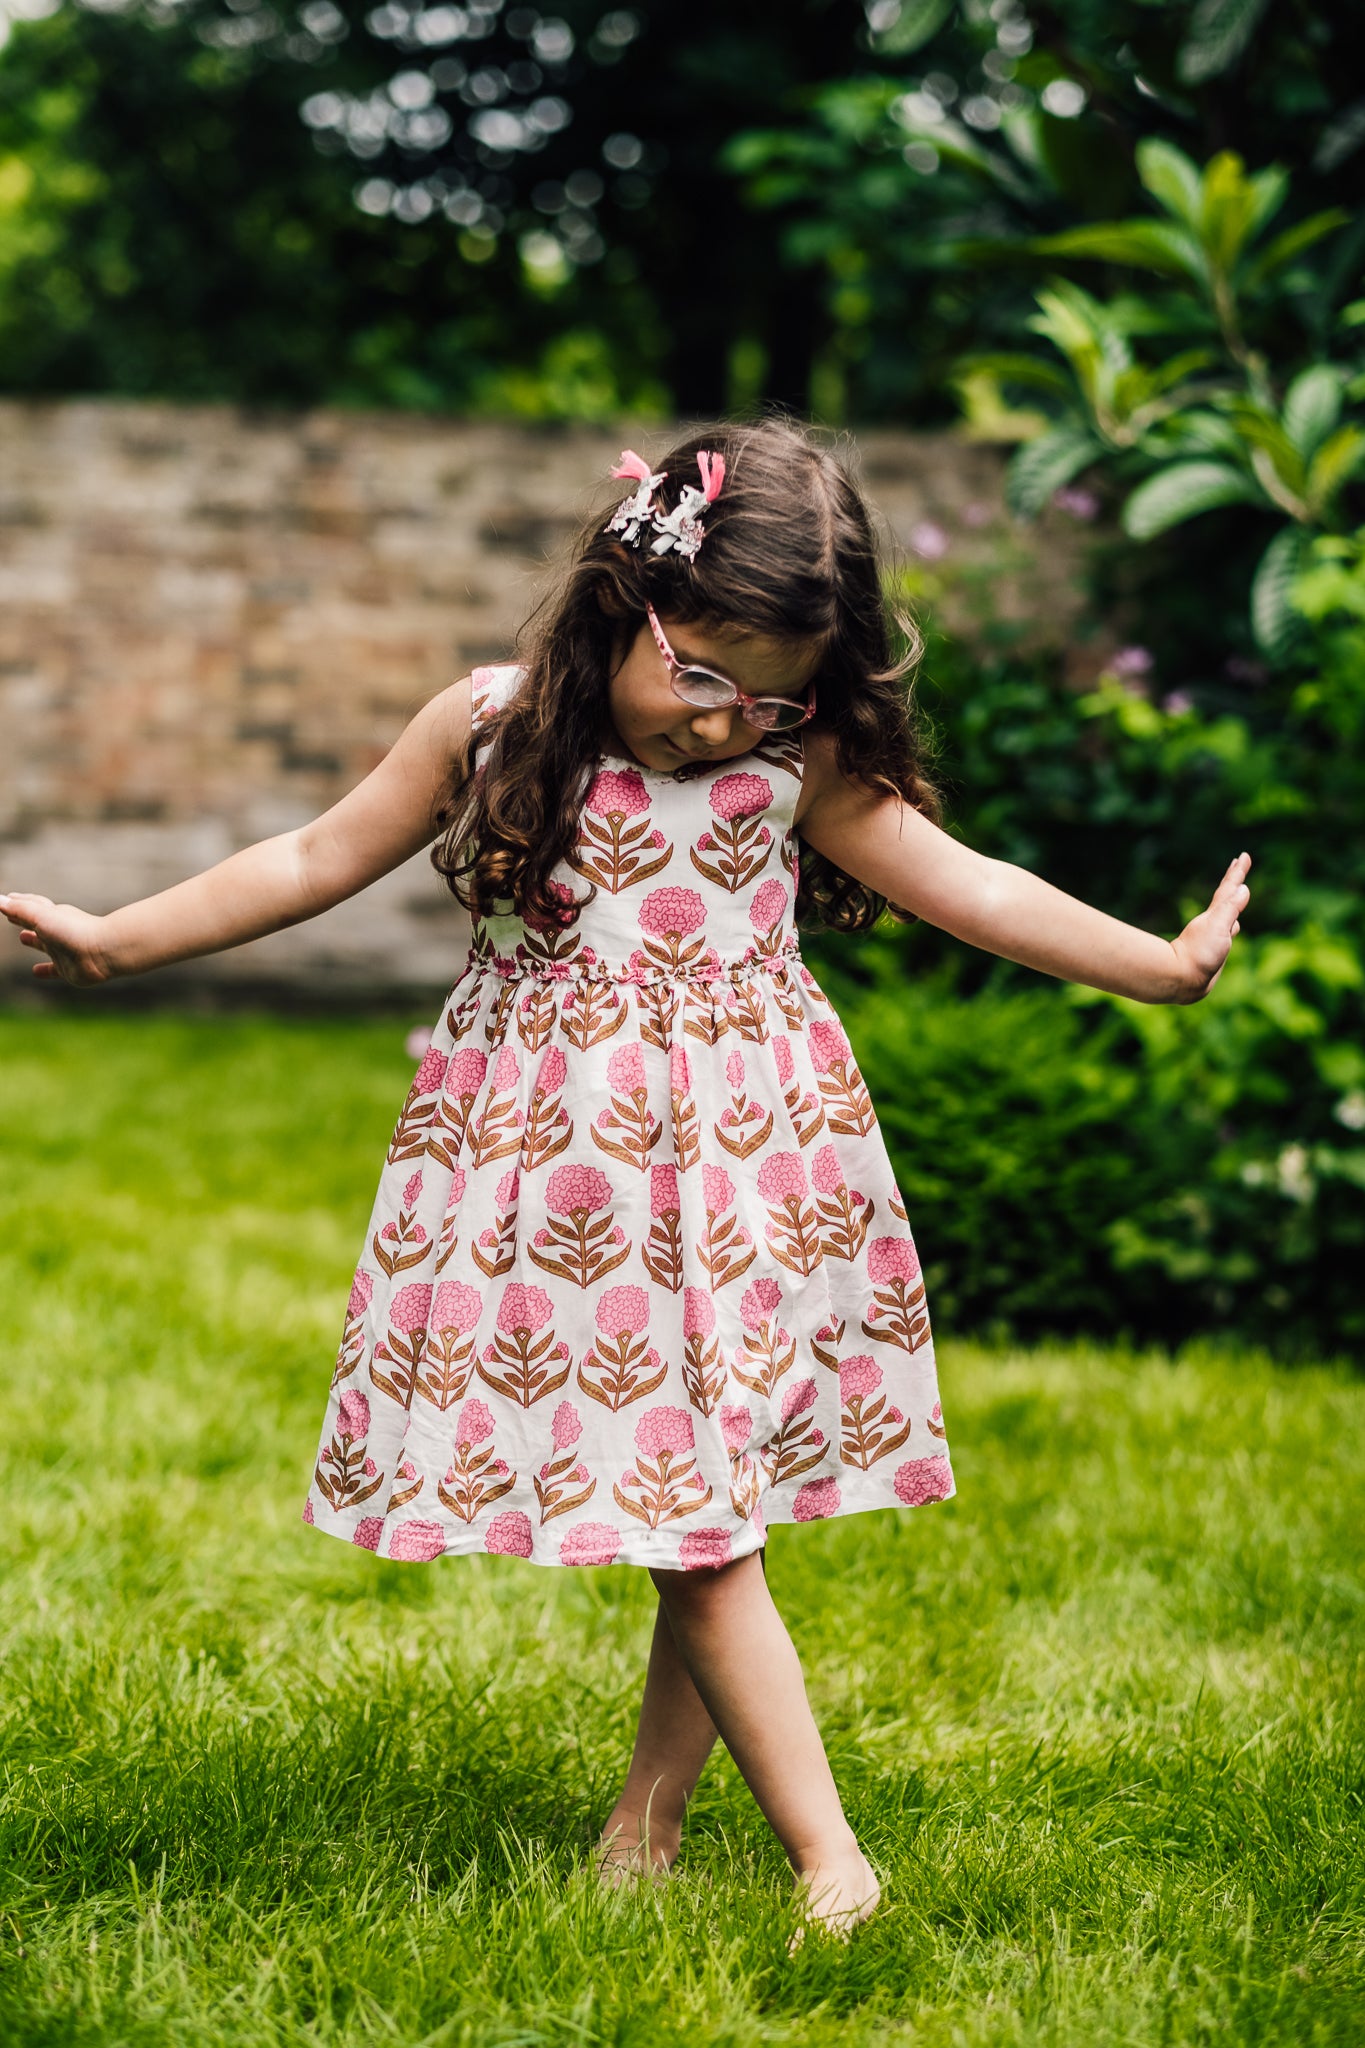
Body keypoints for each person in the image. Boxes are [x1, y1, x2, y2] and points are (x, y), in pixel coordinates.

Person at [0, 419, 1251, 1941]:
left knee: (704, 1517)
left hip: (744, 1173)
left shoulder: (794, 761)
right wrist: (122, 938)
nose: (730, 724)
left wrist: (1157, 966)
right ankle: (711, 1835)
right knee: (698, 1512)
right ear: (622, 600)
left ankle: (794, 1852)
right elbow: (311, 859)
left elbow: (969, 885)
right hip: (564, 1187)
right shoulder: (490, 725)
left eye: (774, 695)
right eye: (704, 675)